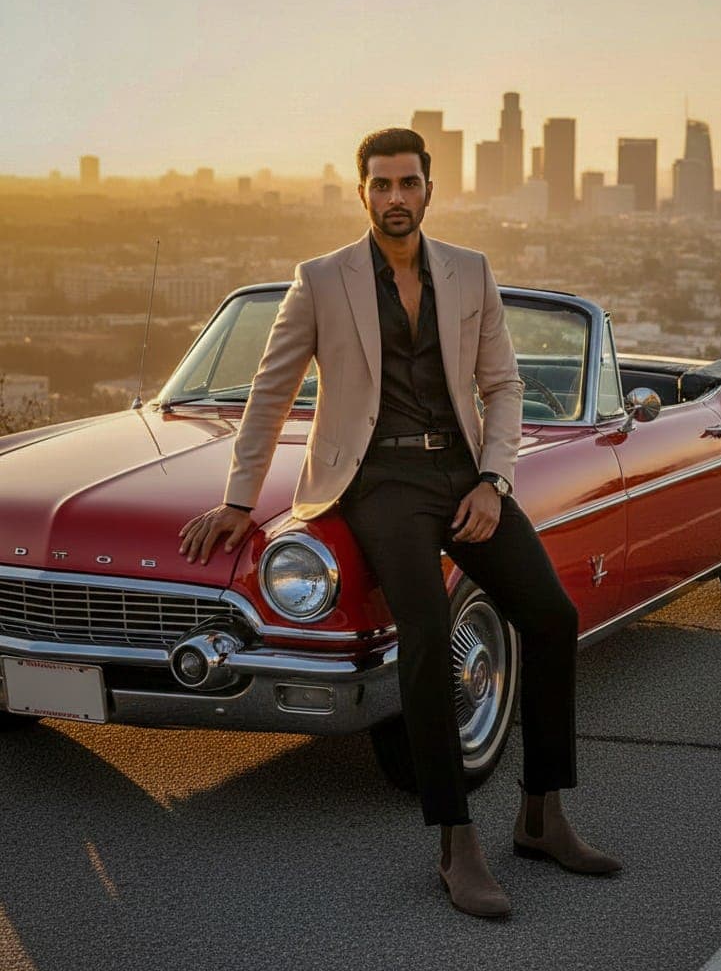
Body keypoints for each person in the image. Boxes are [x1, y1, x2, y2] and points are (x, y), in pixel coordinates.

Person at [178, 127, 620, 918]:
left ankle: (542, 815)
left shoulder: (470, 272)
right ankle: (456, 842)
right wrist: (240, 500)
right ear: (362, 193)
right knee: (424, 631)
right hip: (376, 479)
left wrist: (493, 479)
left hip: (462, 472)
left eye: (407, 184)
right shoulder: (320, 281)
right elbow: (269, 393)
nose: (394, 199)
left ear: (428, 189)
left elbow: (505, 385)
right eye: (379, 185)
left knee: (552, 617)